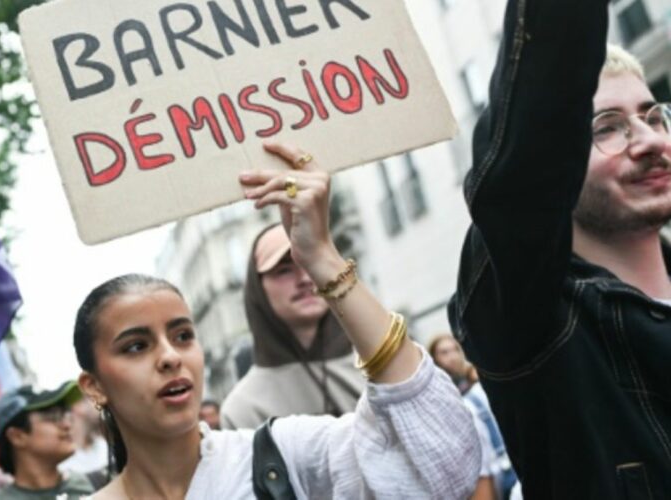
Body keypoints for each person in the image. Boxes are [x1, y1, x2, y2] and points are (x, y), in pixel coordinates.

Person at [73, 140, 480, 499]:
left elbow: (439, 466)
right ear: (94, 386)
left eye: (182, 336)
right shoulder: (248, 404)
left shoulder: (281, 454)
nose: (170, 357)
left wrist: (322, 256)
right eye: (136, 346)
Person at [447, 0, 671, 495]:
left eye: (653, 117)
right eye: (607, 127)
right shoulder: (536, 319)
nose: (649, 140)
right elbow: (529, 142)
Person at [219, 224, 364, 429]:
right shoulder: (243, 409)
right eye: (284, 270)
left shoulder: (377, 368)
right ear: (258, 290)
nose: (304, 279)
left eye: (310, 264)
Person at [429, 334, 517, 499]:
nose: (452, 357)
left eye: (455, 349)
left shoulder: (479, 385)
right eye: (444, 352)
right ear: (434, 358)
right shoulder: (440, 401)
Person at [0, 382, 95, 500]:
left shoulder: (88, 486)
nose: (67, 425)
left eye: (65, 415)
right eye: (53, 417)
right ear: (17, 436)